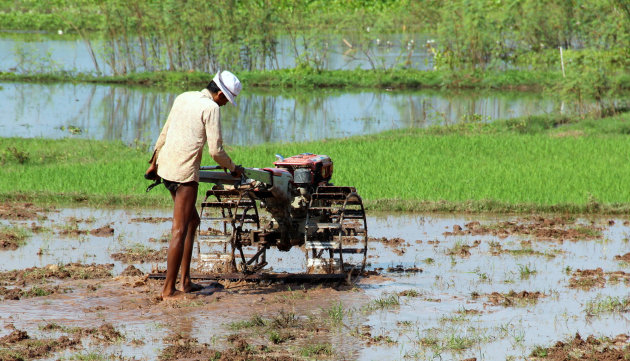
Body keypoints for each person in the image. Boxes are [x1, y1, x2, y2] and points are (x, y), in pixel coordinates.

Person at [145, 70, 244, 300]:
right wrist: (232, 167)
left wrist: (153, 162)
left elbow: (165, 132)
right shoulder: (211, 108)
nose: (226, 105)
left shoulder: (183, 97)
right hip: (184, 174)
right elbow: (215, 151)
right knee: (179, 229)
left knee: (192, 221)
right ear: (219, 93)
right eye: (226, 100)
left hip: (166, 167)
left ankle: (186, 281)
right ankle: (169, 290)